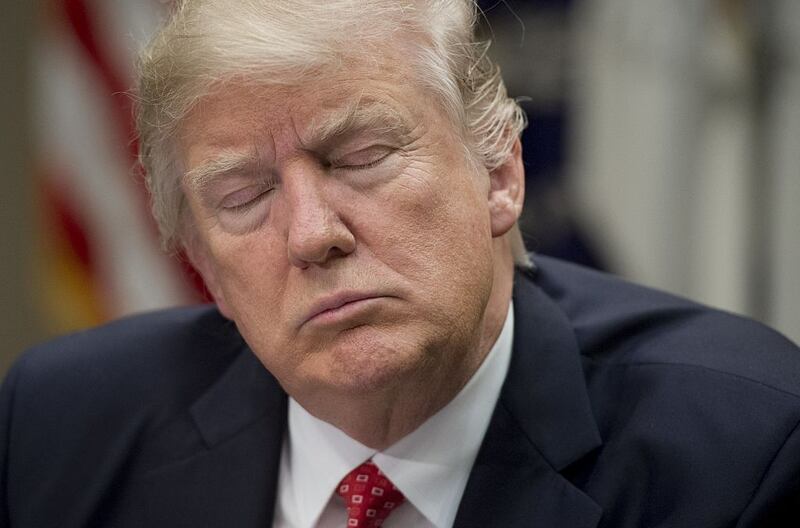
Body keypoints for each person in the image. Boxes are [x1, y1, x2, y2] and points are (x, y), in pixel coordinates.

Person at [2, 1, 799, 527]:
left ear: (499, 174)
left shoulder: (744, 454)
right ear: (208, 271)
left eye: (363, 155)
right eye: (244, 196)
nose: (313, 234)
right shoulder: (57, 429)